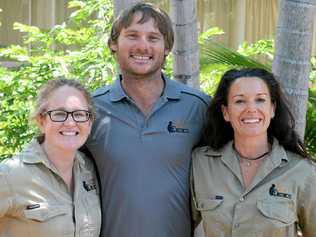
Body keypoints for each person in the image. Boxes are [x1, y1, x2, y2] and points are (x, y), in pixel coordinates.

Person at [85, 3, 209, 237]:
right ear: (113, 43)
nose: (142, 46)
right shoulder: (89, 109)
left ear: (167, 48)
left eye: (153, 38)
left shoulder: (197, 106)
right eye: (132, 36)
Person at [191, 68, 316, 236]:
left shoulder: (302, 171)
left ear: (272, 109)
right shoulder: (201, 164)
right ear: (226, 112)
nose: (251, 109)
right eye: (240, 101)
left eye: (260, 100)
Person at [0, 79, 101, 237]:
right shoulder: (10, 175)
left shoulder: (89, 171)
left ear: (89, 122)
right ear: (41, 120)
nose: (70, 122)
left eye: (79, 114)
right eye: (59, 114)